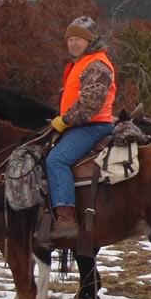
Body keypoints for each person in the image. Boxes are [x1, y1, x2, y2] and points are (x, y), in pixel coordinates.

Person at [47, 16, 116, 239]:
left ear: (89, 41)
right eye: (70, 39)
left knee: (56, 160)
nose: (73, 43)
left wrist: (64, 121)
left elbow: (90, 104)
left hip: (92, 126)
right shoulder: (80, 64)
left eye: (78, 39)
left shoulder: (96, 64)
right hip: (79, 124)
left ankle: (66, 218)